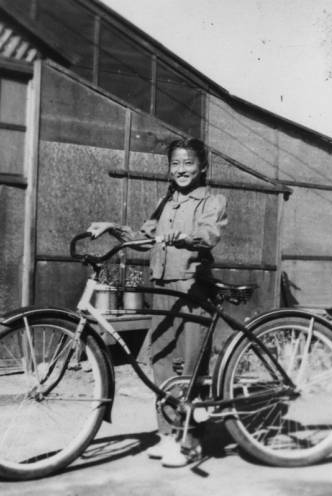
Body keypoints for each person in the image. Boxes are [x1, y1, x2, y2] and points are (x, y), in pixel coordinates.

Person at [87, 138, 227, 467]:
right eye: (175, 164)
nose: (181, 169)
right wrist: (113, 228)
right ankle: (168, 434)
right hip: (162, 288)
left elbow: (210, 234)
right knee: (161, 360)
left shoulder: (212, 200)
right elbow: (143, 240)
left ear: (202, 166)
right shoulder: (165, 201)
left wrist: (185, 236)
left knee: (189, 367)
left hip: (193, 289)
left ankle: (190, 441)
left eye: (188, 163)